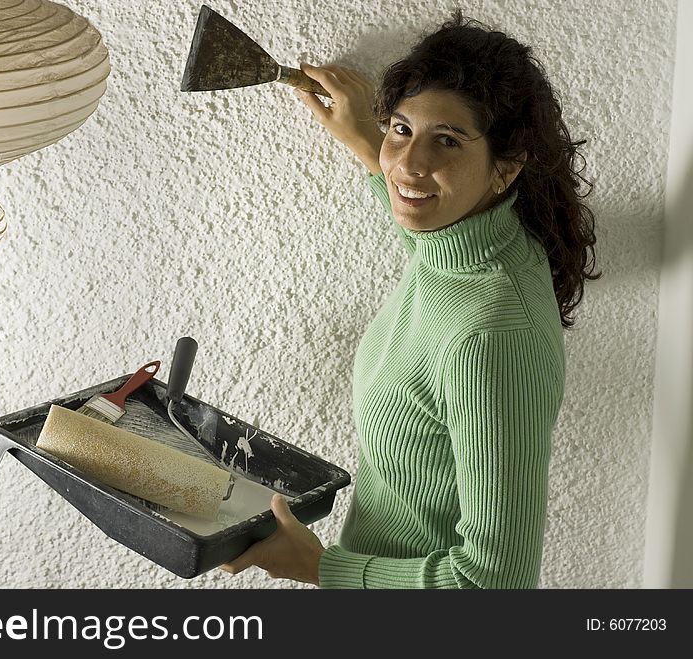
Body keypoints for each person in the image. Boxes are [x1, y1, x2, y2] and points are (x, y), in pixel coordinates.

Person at [220, 10, 600, 588]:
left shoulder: (489, 334)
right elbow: (419, 214)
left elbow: (495, 584)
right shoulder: (468, 242)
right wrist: (368, 141)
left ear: (505, 169)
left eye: (446, 140)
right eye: (402, 128)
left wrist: (321, 568)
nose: (409, 163)